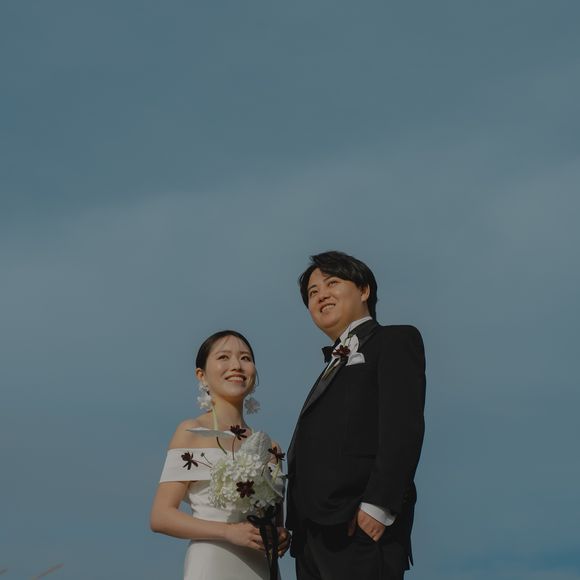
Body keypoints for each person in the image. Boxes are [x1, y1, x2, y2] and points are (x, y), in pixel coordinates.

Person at [286, 251, 426, 580]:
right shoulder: (330, 367)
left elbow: (402, 426)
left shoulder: (394, 340)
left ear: (364, 290)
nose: (321, 295)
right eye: (312, 292)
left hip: (357, 525)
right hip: (310, 536)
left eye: (332, 283)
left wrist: (378, 506)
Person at [151, 330, 289, 580]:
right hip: (213, 563)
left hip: (262, 568)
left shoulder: (271, 448)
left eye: (245, 358)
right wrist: (228, 532)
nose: (236, 365)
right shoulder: (191, 432)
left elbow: (275, 521)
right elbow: (161, 516)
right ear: (201, 375)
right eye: (224, 357)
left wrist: (280, 535)